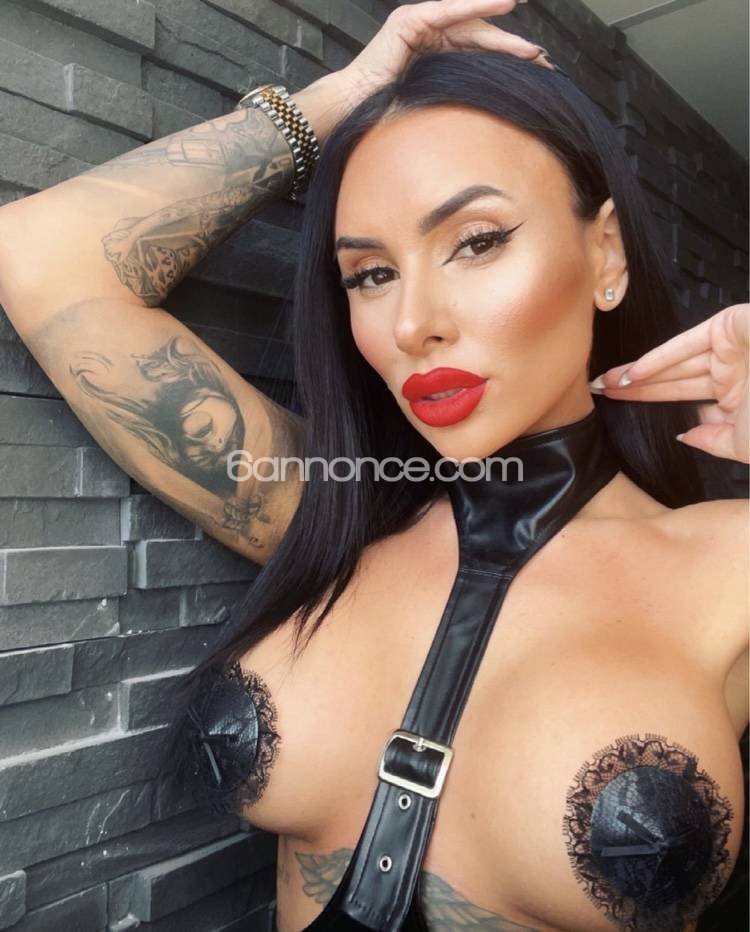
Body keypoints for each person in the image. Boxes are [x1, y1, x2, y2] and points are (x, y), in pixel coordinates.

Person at [0, 1, 747, 929]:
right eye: (371, 274)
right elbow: (43, 256)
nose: (411, 324)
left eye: (477, 241)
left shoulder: (729, 566)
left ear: (606, 254)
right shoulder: (333, 510)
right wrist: (341, 99)